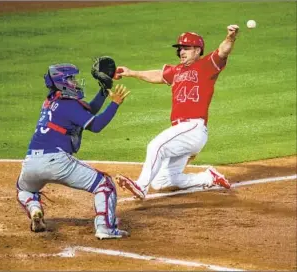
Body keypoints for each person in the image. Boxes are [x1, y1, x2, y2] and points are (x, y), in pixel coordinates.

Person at [115, 25, 239, 199]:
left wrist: (230, 37)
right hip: (182, 132)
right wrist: (131, 72)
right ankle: (208, 177)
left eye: (186, 48)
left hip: (192, 127)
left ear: (197, 50)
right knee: (161, 182)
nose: (182, 51)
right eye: (180, 48)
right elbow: (158, 75)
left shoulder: (206, 65)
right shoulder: (177, 70)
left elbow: (223, 52)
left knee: (156, 146)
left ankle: (141, 187)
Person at [16, 63, 130, 239]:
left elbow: (87, 111)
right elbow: (96, 125)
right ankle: (104, 228)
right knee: (105, 184)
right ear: (62, 82)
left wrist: (104, 90)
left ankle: (34, 208)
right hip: (56, 161)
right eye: (71, 79)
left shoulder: (51, 102)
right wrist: (114, 104)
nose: (75, 82)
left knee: (24, 190)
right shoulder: (68, 105)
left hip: (31, 162)